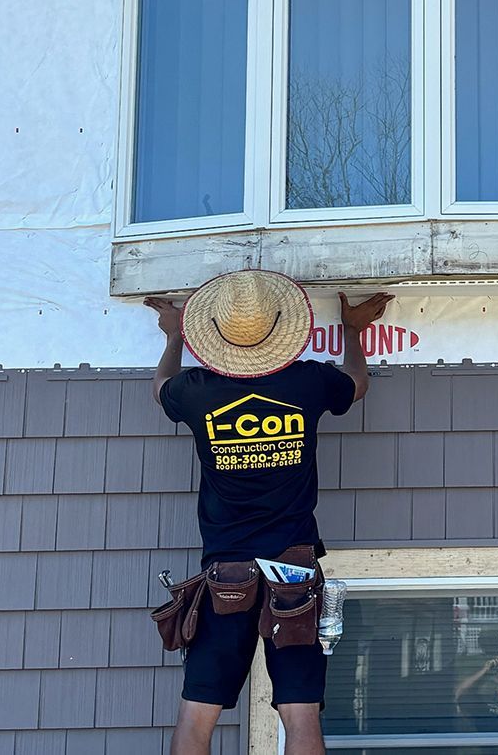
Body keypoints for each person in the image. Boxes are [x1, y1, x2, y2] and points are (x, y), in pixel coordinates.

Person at [144, 269, 392, 755]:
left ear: (214, 335)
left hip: (224, 576)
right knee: (301, 719)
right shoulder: (308, 383)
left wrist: (174, 334)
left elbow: (160, 386)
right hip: (292, 573)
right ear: (281, 331)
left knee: (197, 717)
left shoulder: (195, 391)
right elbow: (357, 384)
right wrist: (352, 330)